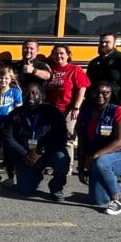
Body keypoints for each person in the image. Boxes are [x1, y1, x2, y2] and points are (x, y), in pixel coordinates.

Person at [77, 82, 121, 215]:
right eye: (97, 92)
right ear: (91, 94)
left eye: (105, 93)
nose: (100, 95)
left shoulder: (118, 111)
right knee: (97, 200)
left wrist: (95, 156)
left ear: (111, 95)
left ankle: (116, 200)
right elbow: (82, 142)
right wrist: (81, 168)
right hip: (100, 159)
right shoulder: (85, 113)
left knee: (101, 162)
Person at [4, 83, 70, 201]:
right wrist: (24, 154)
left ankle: (56, 188)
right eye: (27, 93)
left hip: (48, 152)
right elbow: (9, 138)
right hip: (25, 155)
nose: (30, 97)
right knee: (25, 191)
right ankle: (36, 175)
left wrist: (40, 151)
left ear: (42, 96)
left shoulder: (53, 112)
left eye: (34, 93)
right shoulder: (15, 114)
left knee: (62, 159)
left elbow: (61, 137)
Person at [45, 44, 90, 173]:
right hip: (52, 109)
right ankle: (53, 164)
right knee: (51, 136)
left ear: (68, 55)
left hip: (68, 109)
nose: (58, 56)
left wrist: (76, 107)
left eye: (61, 53)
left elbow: (82, 88)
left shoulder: (74, 69)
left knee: (67, 137)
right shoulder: (50, 70)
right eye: (56, 53)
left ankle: (67, 166)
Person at [86, 33, 121, 108]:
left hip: (115, 104)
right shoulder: (94, 62)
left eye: (107, 42)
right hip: (95, 105)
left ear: (115, 44)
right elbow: (87, 83)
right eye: (101, 42)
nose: (104, 44)